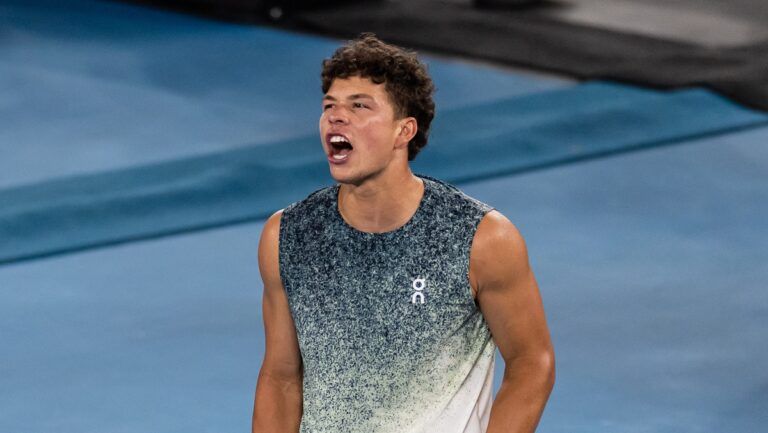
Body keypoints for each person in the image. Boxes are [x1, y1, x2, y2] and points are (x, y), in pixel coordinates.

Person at [251, 33, 555, 433]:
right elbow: (281, 376)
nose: (336, 117)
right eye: (330, 106)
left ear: (404, 130)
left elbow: (532, 362)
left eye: (359, 106)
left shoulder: (481, 239)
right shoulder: (288, 236)